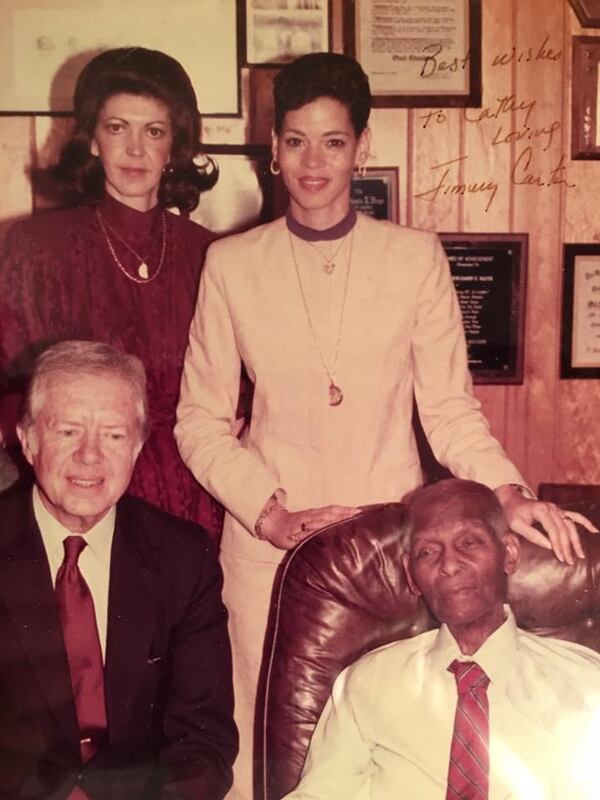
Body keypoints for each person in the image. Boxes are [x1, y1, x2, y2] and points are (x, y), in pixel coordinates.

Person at [174, 52, 596, 799]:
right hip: (270, 549)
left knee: (396, 743)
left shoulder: (414, 258)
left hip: (393, 550)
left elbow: (448, 408)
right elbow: (199, 422)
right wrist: (270, 513)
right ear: (272, 148)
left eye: (333, 142)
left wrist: (509, 492)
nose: (313, 162)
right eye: (296, 140)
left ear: (361, 148)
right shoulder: (232, 264)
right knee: (269, 758)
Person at [0, 340, 238, 799]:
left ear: (138, 446)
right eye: (68, 431)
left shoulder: (183, 556)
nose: (90, 456)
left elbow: (203, 738)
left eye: (113, 434)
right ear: (27, 439)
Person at [0, 46, 222, 536]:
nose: (136, 150)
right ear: (93, 140)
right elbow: (9, 382)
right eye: (117, 128)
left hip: (197, 488)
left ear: (174, 147)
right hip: (77, 481)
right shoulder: (34, 247)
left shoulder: (213, 254)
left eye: (154, 131)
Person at [284, 479, 600, 800]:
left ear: (509, 553)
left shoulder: (585, 683)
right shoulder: (368, 682)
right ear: (411, 575)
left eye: (469, 542)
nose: (448, 564)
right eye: (428, 551)